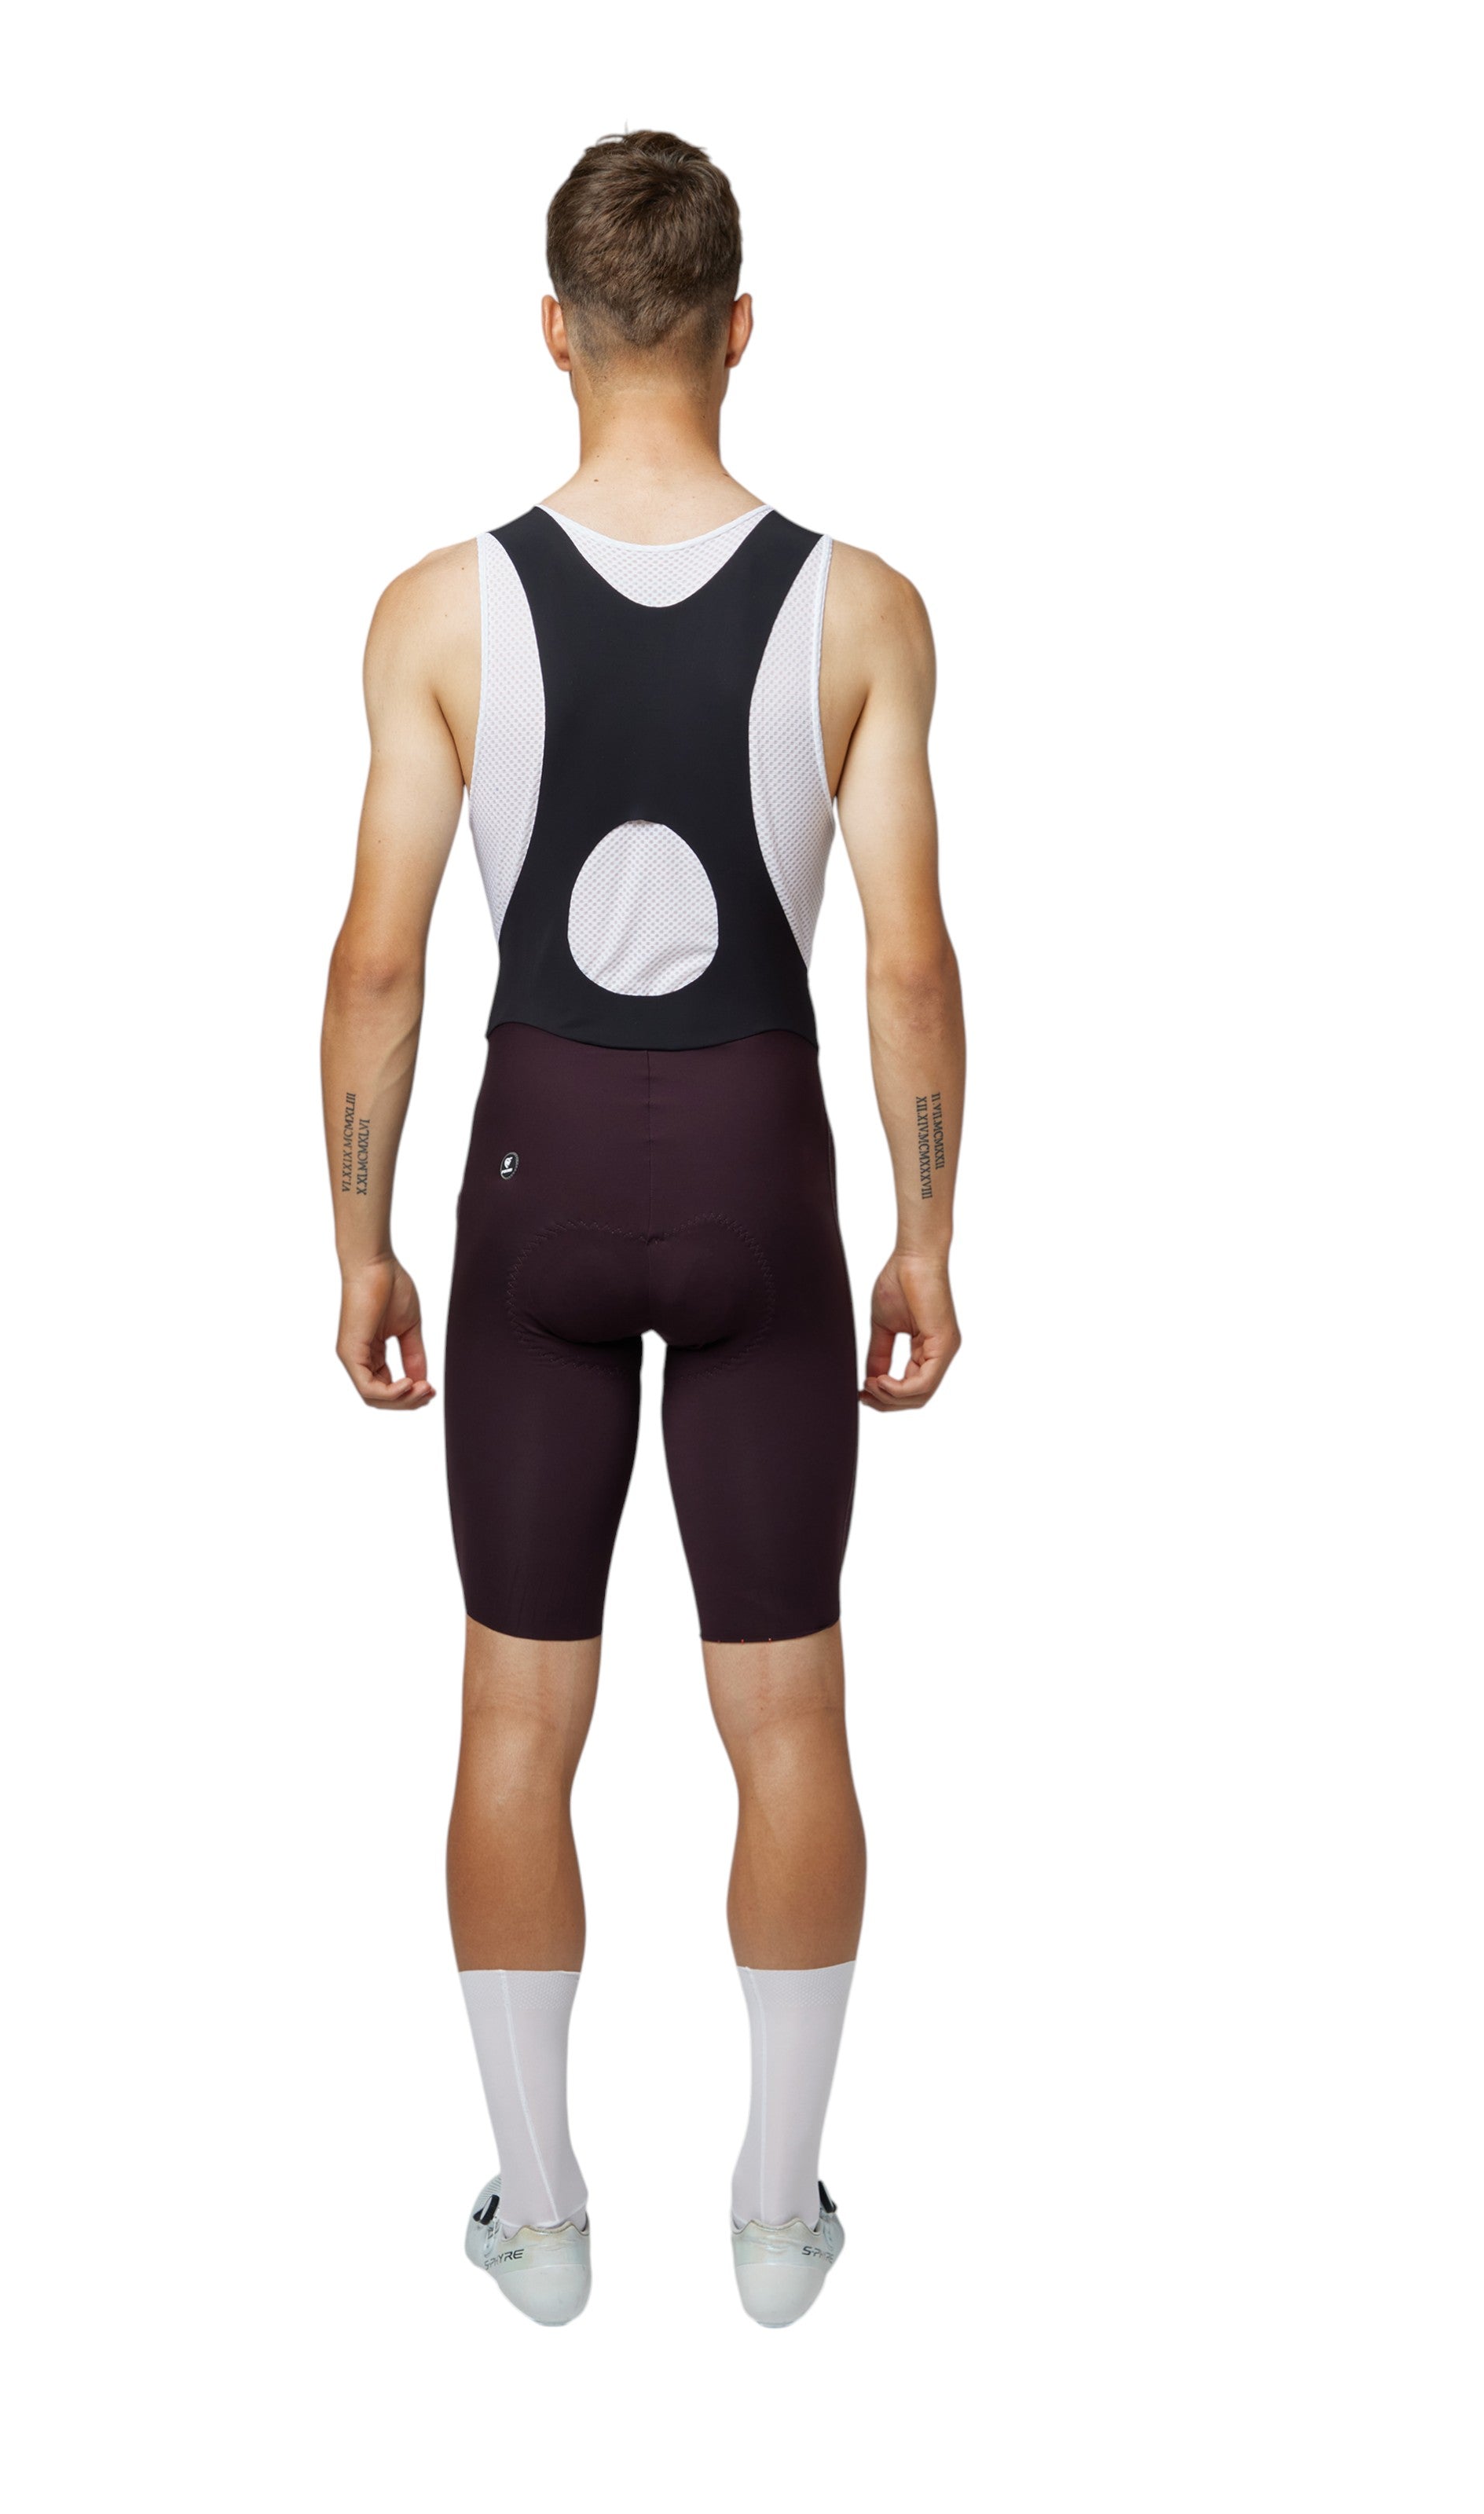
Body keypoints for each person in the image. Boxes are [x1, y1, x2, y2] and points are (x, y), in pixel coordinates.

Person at [321, 130, 964, 2328]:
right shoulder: (863, 608)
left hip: (539, 1187)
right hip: (769, 1181)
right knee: (789, 1715)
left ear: (554, 332)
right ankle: (778, 2217)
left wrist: (360, 1242)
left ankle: (543, 2216)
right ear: (739, 328)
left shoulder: (438, 613)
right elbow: (906, 963)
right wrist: (926, 1233)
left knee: (519, 1718)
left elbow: (381, 964)